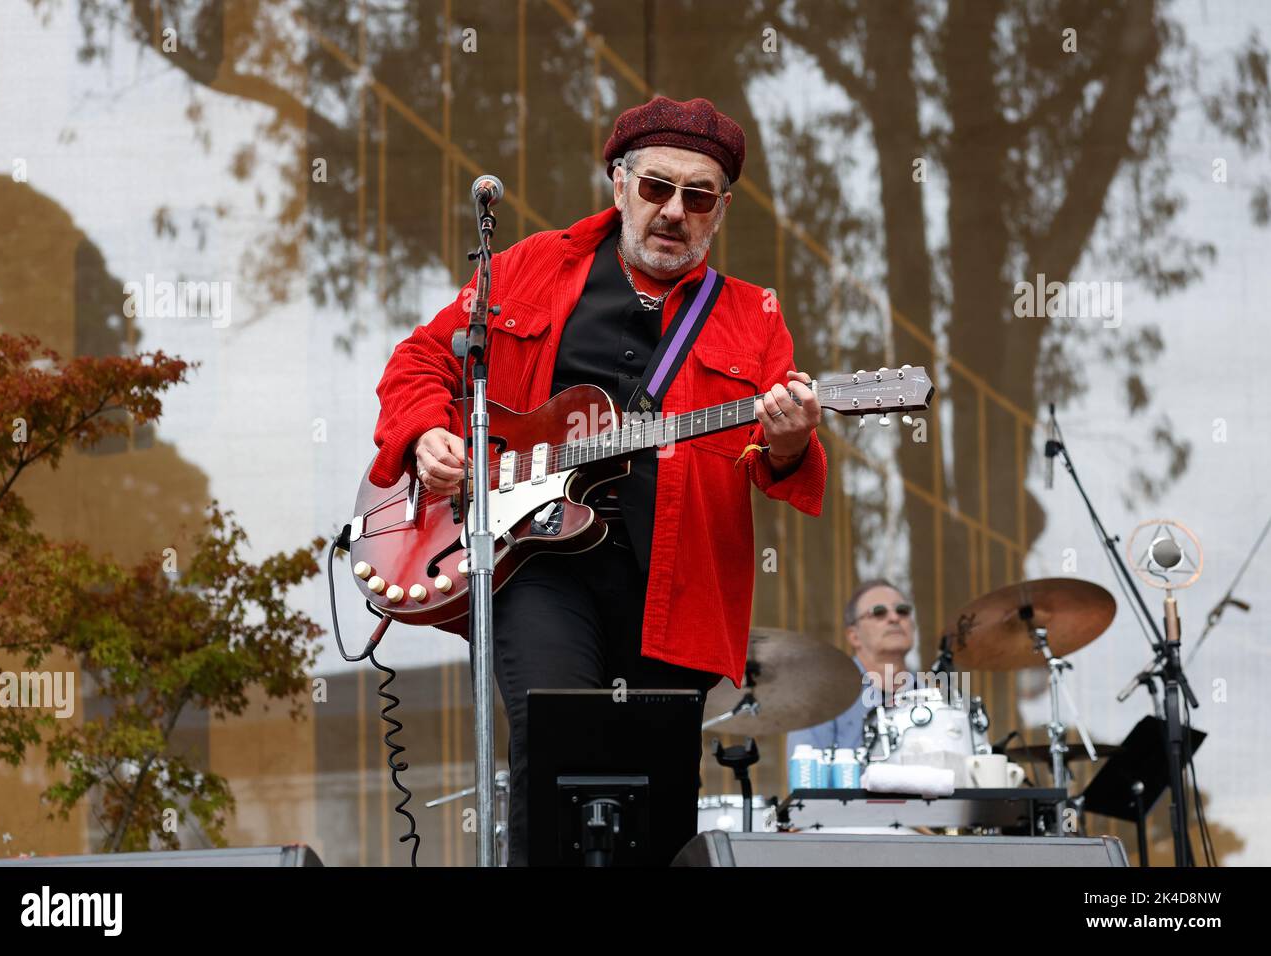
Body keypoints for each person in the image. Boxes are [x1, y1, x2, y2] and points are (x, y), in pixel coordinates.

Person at [370, 95, 827, 864]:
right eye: (656, 188)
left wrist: (789, 441)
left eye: (698, 196)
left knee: (659, 791)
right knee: (558, 743)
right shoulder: (528, 266)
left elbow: (777, 465)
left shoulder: (753, 317)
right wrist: (428, 433)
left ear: (720, 211)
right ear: (619, 185)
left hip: (678, 588)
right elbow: (421, 360)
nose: (674, 211)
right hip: (538, 564)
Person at [786, 579, 916, 756]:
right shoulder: (821, 695)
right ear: (854, 636)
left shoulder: (934, 694)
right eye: (879, 612)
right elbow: (806, 776)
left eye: (902, 611)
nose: (894, 618)